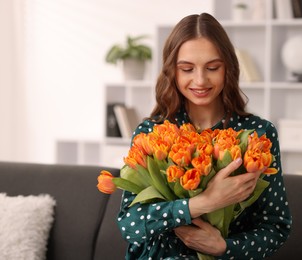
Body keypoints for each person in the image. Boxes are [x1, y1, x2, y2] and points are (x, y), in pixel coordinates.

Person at [117, 12, 292, 259]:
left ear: (228, 68)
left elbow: (275, 227)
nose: (200, 80)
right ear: (172, 71)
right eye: (187, 69)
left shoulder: (258, 135)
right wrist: (202, 204)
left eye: (212, 67)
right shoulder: (151, 133)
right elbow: (130, 224)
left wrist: (224, 248)